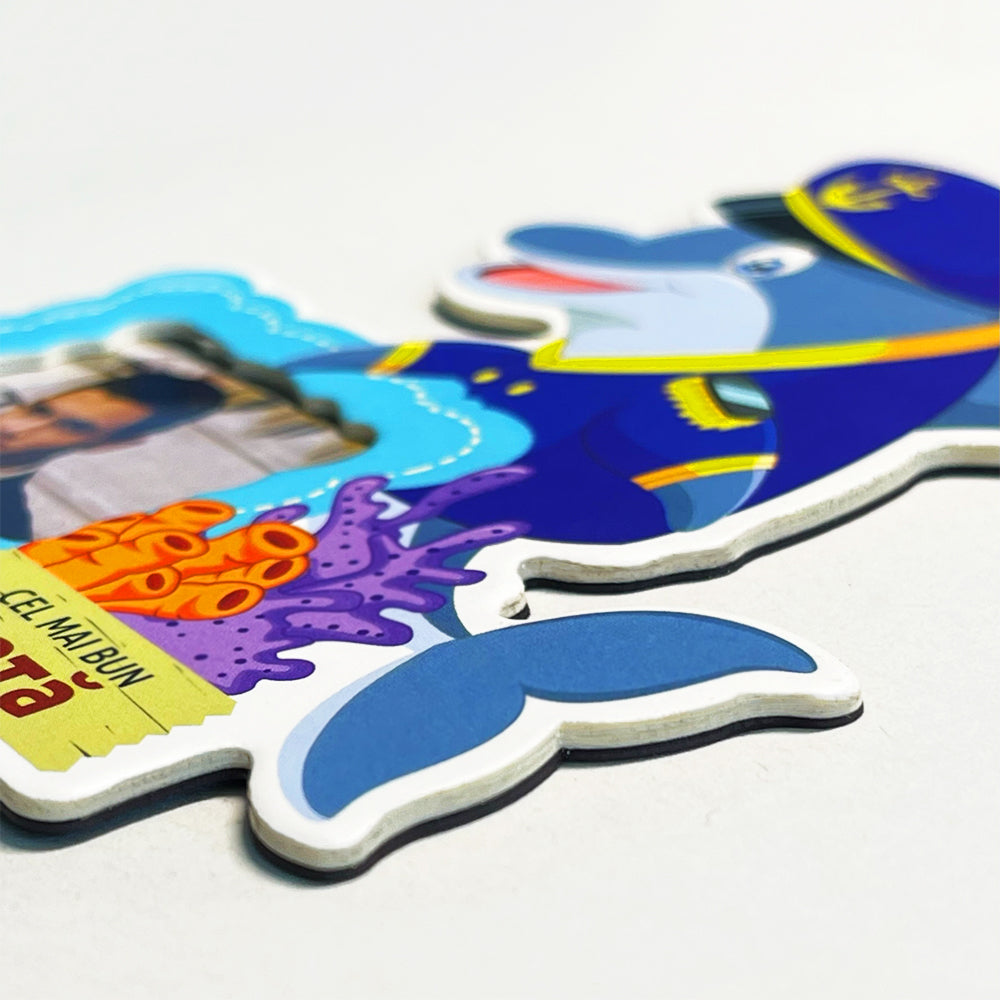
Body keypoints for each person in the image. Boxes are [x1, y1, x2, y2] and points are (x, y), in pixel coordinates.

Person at [0, 371, 225, 541]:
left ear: (109, 444)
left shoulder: (7, 525)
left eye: (72, 427)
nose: (14, 429)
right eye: (39, 410)